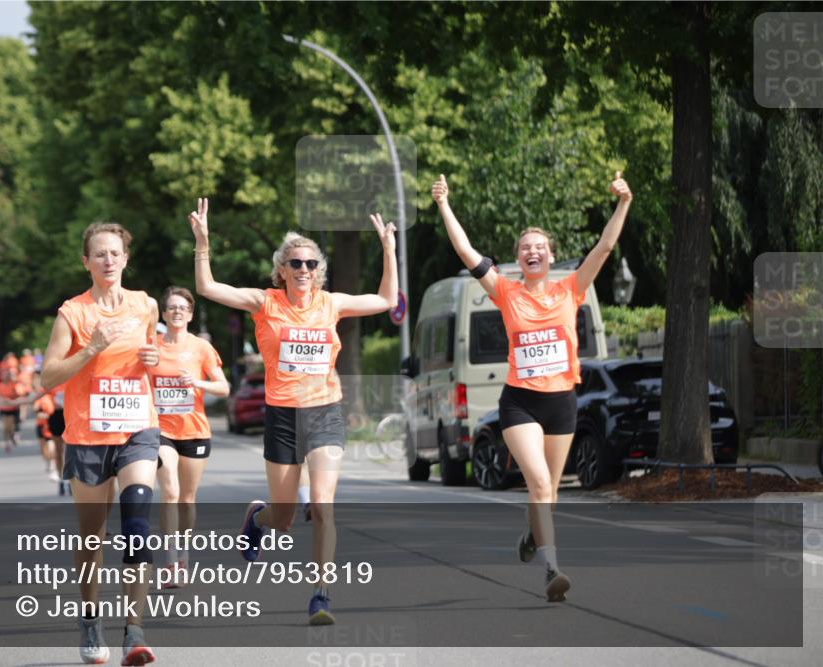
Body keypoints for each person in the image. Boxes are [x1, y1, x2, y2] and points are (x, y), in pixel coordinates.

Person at [188, 198, 398, 625]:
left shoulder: (331, 303)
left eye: (310, 264)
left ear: (318, 271)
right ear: (281, 270)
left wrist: (389, 250)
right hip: (282, 417)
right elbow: (208, 289)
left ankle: (321, 596)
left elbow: (386, 298)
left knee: (322, 506)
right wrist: (203, 243)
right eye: (295, 263)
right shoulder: (264, 303)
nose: (304, 270)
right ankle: (257, 516)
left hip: (325, 412)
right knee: (283, 518)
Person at [431, 171, 632, 602]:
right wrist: (445, 204)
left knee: (551, 493)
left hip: (561, 401)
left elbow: (605, 247)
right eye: (525, 248)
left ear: (551, 256)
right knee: (539, 484)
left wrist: (623, 203)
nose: (532, 252)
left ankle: (532, 535)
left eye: (540, 247)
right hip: (520, 402)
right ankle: (551, 571)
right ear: (518, 259)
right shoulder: (505, 291)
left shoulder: (571, 288)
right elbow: (466, 252)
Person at [41, 221, 161, 666]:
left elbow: (151, 355)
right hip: (88, 435)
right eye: (100, 254)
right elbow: (47, 378)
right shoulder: (72, 313)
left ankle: (135, 631)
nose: (108, 261)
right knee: (93, 538)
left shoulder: (145, 305)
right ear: (86, 261)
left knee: (137, 521)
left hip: (137, 429)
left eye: (115, 253)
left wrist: (154, 358)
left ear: (126, 259)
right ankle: (91, 619)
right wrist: (89, 349)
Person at [152, 286, 229, 585]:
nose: (177, 312)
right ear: (164, 313)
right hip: (161, 429)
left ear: (190, 314)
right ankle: (170, 561)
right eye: (172, 307)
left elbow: (223, 387)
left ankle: (184, 555)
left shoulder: (201, 348)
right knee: (169, 490)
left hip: (195, 430)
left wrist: (197, 382)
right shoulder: (153, 346)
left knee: (187, 498)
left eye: (182, 308)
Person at [0, 366, 30, 453]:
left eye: (7, 375)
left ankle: (13, 436)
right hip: (3, 408)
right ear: (1, 377)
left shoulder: (15, 385)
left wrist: (12, 400)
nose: (6, 377)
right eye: (4, 375)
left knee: (11, 426)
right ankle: (7, 443)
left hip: (13, 408)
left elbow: (21, 395)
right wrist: (0, 400)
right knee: (5, 427)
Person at [32, 373, 59, 481]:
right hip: (40, 425)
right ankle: (49, 462)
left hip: (50, 426)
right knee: (43, 449)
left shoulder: (52, 396)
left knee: (52, 446)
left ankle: (53, 465)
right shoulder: (37, 397)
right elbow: (36, 410)